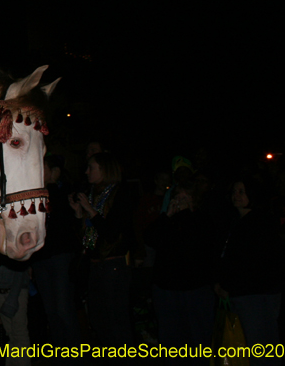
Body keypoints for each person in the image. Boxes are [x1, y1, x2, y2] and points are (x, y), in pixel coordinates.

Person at [144, 180, 217, 364]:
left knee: (197, 342)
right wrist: (166, 215)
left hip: (194, 291)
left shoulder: (203, 220)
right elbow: (150, 238)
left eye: (185, 197)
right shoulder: (168, 220)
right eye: (177, 196)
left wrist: (184, 214)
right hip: (167, 290)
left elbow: (196, 245)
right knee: (171, 343)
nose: (180, 200)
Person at [69, 152, 135, 354]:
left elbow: (111, 233)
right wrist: (79, 215)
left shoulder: (121, 193)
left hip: (113, 264)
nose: (87, 172)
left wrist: (91, 211)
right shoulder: (92, 194)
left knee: (117, 322)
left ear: (104, 170)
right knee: (98, 320)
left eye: (91, 167)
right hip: (95, 263)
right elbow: (86, 236)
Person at [215, 174, 283, 366]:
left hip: (255, 295)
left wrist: (228, 284)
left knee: (260, 347)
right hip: (242, 293)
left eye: (242, 191)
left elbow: (252, 262)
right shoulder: (236, 221)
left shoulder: (259, 223)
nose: (236, 196)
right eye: (234, 191)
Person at [30, 155, 81, 360]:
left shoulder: (65, 192)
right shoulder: (34, 195)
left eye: (42, 167)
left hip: (60, 257)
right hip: (41, 259)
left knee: (63, 309)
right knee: (51, 311)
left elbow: (71, 226)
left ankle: (74, 357)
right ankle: (60, 357)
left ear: (55, 171)